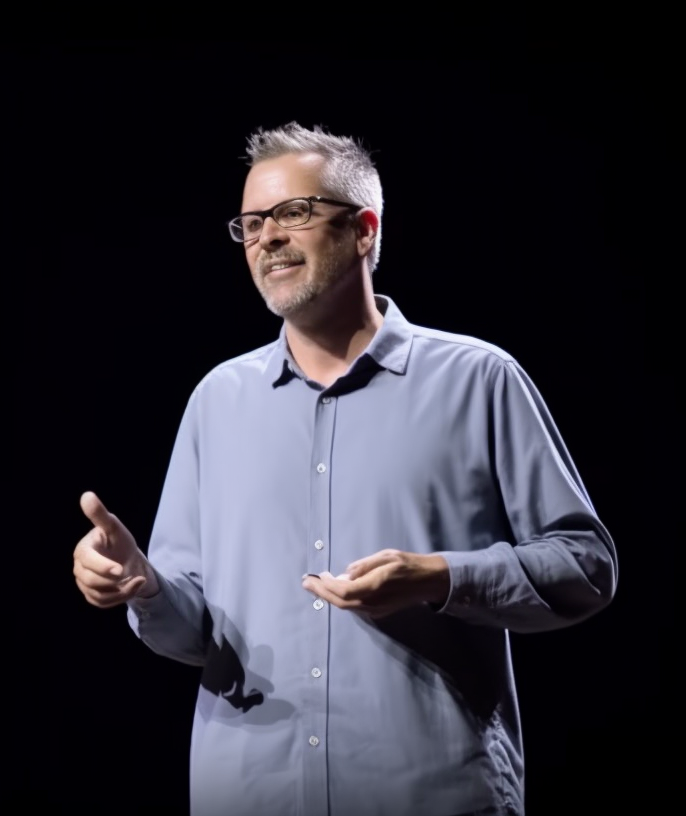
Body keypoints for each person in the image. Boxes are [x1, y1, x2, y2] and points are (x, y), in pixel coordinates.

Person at [71, 121, 617, 816]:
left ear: (364, 230)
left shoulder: (479, 380)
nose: (267, 237)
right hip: (247, 794)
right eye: (251, 222)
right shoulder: (218, 401)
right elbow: (190, 631)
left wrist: (441, 578)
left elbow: (586, 566)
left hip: (429, 795)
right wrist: (143, 585)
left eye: (293, 213)